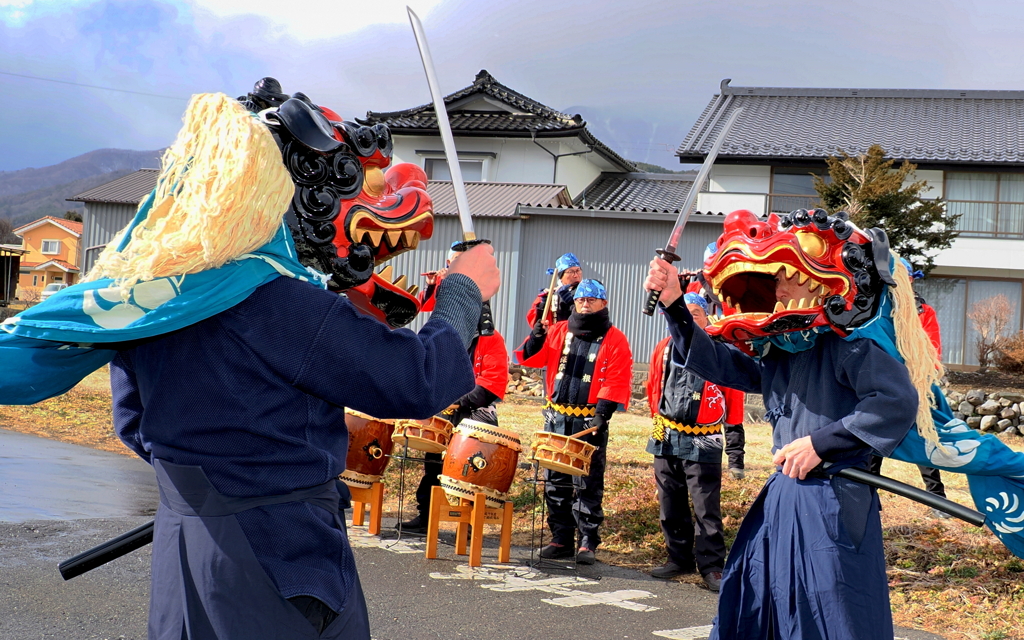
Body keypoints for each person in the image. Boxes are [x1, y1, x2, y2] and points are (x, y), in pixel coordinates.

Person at [0, 85, 502, 639]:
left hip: (186, 549)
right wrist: (463, 289)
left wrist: (210, 487)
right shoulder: (276, 301)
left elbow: (135, 423)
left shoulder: (152, 299)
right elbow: (416, 379)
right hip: (279, 555)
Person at [645, 254, 918, 640]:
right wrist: (674, 304)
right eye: (776, 281)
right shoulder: (782, 346)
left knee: (834, 614)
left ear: (821, 283)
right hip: (783, 495)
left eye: (789, 278)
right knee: (764, 606)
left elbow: (896, 402)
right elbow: (718, 361)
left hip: (835, 501)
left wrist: (821, 444)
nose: (779, 290)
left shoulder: (852, 343)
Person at [516, 279, 633, 564]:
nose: (585, 304)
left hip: (588, 420)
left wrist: (603, 412)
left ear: (603, 303)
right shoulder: (558, 330)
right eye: (581, 299)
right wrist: (536, 337)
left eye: (592, 300)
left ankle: (587, 542)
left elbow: (617, 376)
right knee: (555, 481)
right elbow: (532, 359)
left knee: (587, 482)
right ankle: (561, 539)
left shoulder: (615, 338)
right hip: (557, 416)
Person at [646, 292, 744, 591]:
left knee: (705, 504)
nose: (688, 319)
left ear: (706, 317)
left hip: (705, 437)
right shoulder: (663, 347)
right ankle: (678, 557)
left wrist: (736, 452)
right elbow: (653, 386)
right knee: (669, 501)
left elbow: (733, 399)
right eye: (684, 313)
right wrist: (657, 421)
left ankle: (712, 566)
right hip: (667, 433)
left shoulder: (719, 349)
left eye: (695, 313)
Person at [397, 313, 510, 534]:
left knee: (470, 471)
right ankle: (426, 515)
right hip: (445, 407)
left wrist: (456, 399)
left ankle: (467, 522)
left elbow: (492, 382)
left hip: (476, 411)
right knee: (433, 466)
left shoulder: (492, 338)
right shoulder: (446, 336)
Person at [868, 257, 948, 518]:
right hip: (879, 385)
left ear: (911, 280)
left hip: (914, 385)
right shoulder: (874, 310)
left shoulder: (923, 311)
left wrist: (919, 379)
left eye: (906, 277)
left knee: (924, 439)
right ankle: (866, 499)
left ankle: (937, 500)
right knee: (870, 441)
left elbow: (932, 352)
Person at [526, 252, 584, 328]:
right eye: (570, 272)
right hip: (556, 333)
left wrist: (571, 303)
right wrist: (542, 305)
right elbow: (536, 325)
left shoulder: (587, 293)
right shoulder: (552, 293)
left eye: (578, 270)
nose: (576, 275)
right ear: (561, 275)